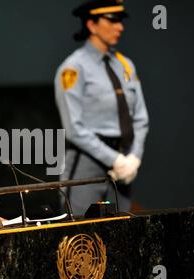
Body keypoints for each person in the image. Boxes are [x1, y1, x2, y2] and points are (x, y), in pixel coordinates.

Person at [54, 0, 149, 216]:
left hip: (124, 161)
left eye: (121, 21)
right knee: (82, 233)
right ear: (92, 25)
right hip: (87, 161)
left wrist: (134, 157)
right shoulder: (74, 68)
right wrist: (113, 159)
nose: (120, 27)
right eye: (112, 20)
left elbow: (141, 118)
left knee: (122, 231)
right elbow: (74, 128)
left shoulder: (125, 65)